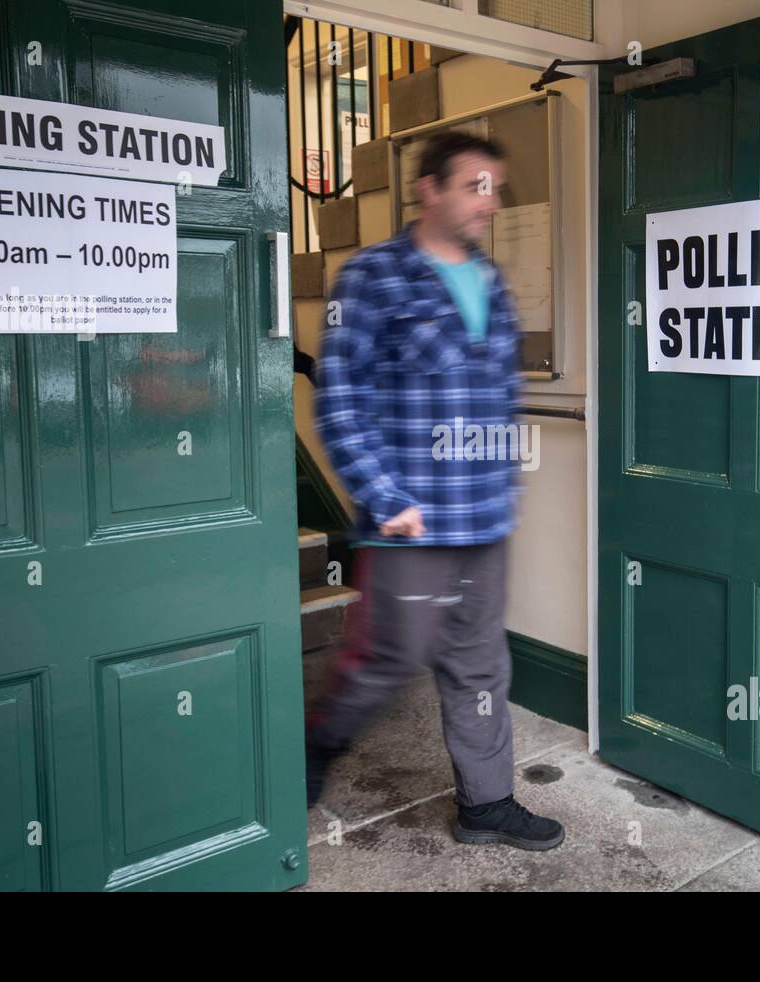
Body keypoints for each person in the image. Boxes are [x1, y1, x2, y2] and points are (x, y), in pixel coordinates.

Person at [306, 130, 564, 851]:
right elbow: (340, 401)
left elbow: (499, 398)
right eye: (476, 186)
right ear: (431, 189)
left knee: (481, 662)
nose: (491, 202)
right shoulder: (372, 277)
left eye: (495, 187)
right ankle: (320, 741)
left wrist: (504, 482)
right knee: (392, 657)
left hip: (482, 516)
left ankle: (487, 805)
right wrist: (385, 498)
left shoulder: (490, 283)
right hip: (408, 521)